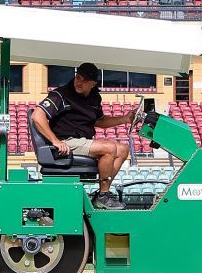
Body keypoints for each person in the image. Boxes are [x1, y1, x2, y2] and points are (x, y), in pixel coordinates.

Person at [31, 62, 135, 209]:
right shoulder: (60, 94)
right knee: (110, 148)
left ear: (93, 84)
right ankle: (104, 196)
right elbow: (37, 115)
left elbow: (100, 121)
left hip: (82, 141)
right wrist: (55, 141)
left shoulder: (94, 98)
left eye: (84, 80)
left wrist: (125, 118)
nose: (79, 82)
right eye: (78, 77)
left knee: (123, 149)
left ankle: (101, 194)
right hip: (66, 141)